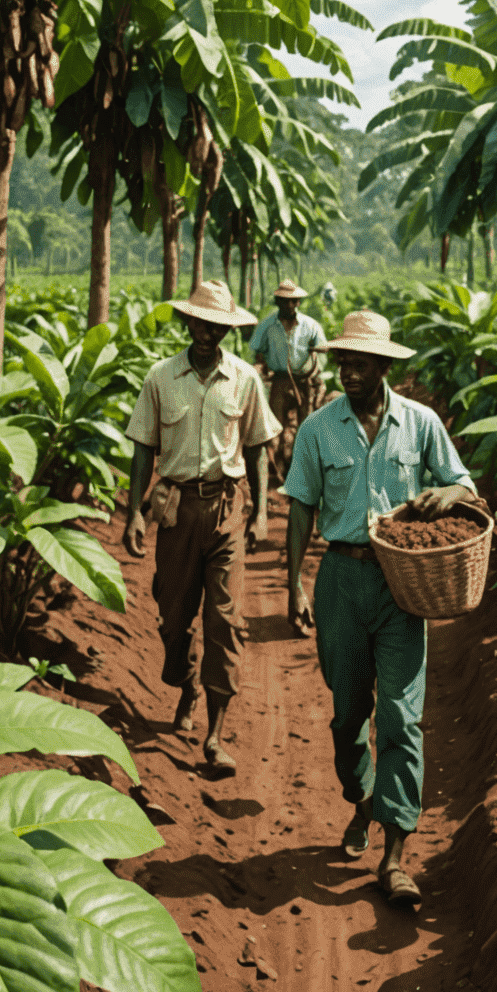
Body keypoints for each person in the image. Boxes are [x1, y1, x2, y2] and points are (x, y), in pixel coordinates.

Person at [281, 310, 477, 907]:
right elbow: (298, 509)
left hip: (401, 584)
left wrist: (448, 492)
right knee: (348, 717)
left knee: (398, 716)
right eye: (344, 362)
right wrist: (293, 583)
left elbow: (463, 486)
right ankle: (362, 795)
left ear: (386, 365)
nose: (349, 372)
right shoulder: (318, 429)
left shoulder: (419, 425)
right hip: (340, 578)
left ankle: (395, 856)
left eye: (361, 363)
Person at [123, 280, 281, 776]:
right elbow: (143, 448)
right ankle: (186, 681)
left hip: (225, 509)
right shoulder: (160, 378)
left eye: (218, 325)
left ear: (228, 329)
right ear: (188, 322)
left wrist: (259, 511)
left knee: (225, 621)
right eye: (201, 323)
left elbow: (256, 447)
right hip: (174, 509)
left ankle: (215, 733)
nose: (209, 332)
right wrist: (132, 513)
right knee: (174, 617)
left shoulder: (244, 379)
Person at [249, 279, 326, 482]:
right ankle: (277, 465)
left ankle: (300, 467)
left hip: (304, 381)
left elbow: (323, 349)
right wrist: (261, 364)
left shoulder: (310, 326)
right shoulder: (267, 325)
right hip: (280, 380)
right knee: (275, 426)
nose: (289, 306)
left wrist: (315, 365)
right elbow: (256, 349)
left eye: (293, 301)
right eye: (284, 301)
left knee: (306, 425)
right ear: (277, 301)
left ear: (299, 302)